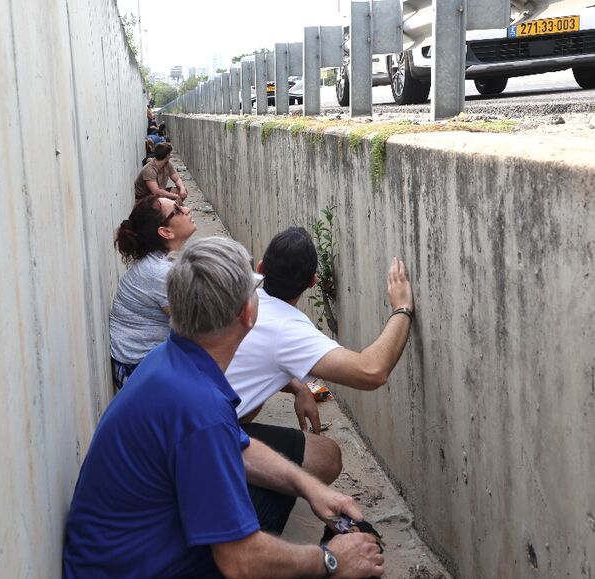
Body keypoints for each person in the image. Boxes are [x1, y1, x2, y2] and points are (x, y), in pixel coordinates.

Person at [64, 236, 385, 578]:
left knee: (279, 500)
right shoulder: (200, 409)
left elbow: (238, 447)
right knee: (352, 562)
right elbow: (241, 561)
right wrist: (329, 559)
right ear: (247, 313)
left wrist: (310, 487)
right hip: (132, 568)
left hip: (121, 556)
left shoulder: (172, 361)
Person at [226, 226, 414, 473]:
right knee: (327, 457)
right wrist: (402, 308)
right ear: (313, 282)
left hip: (179, 415)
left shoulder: (234, 283)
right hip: (204, 440)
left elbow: (254, 354)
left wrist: (297, 387)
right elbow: (372, 371)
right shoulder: (288, 329)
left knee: (255, 400)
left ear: (260, 268)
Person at [109, 194, 197, 389]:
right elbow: (196, 325)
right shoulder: (160, 273)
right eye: (177, 209)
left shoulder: (164, 259)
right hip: (138, 372)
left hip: (149, 363)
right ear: (165, 232)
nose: (187, 210)